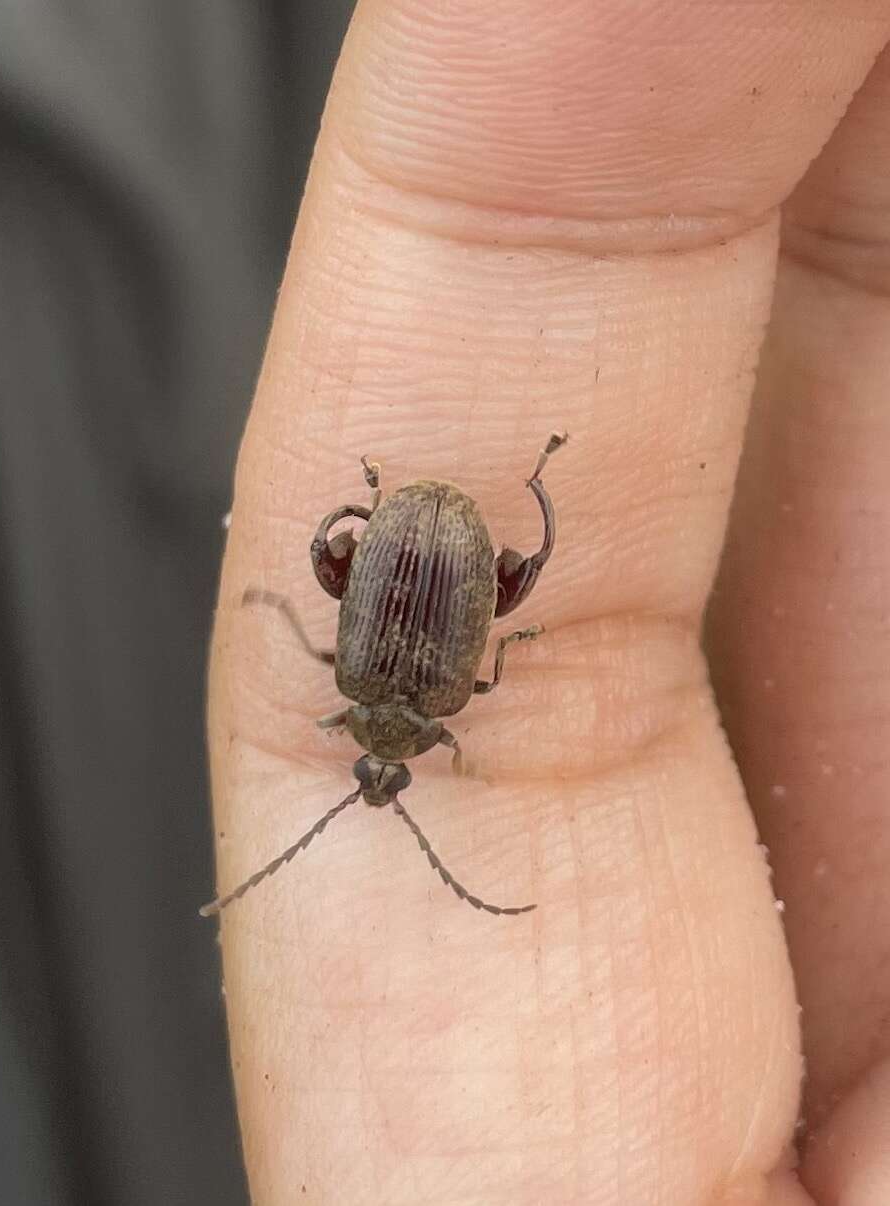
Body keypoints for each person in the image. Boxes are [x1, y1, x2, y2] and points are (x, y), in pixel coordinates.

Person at [207, 2, 890, 1203]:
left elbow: (422, 624)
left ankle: (490, 493)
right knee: (398, 571)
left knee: (480, 595)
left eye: (374, 775)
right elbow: (352, 587)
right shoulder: (362, 681)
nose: (379, 770)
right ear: (388, 751)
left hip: (433, 530)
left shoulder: (420, 694)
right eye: (385, 775)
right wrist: (365, 544)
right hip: (427, 530)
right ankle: (488, 494)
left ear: (387, 754)